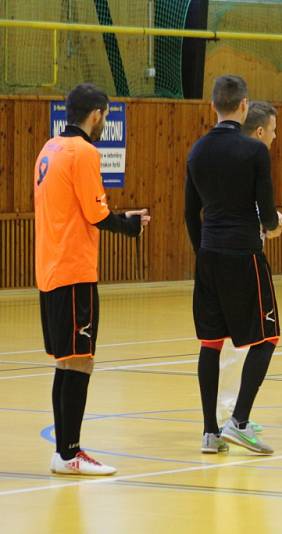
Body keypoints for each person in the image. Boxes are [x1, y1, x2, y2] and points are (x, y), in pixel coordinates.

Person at [35, 83, 151, 475]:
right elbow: (97, 214)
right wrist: (131, 226)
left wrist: (122, 217)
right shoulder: (83, 151)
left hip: (49, 269)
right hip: (73, 271)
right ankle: (70, 454)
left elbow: (78, 207)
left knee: (66, 363)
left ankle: (64, 453)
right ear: (98, 113)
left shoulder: (49, 148)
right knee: (80, 362)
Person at [185, 76, 282, 454]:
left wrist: (204, 249)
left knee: (210, 343)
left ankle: (210, 432)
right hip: (244, 254)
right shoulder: (254, 151)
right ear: (244, 106)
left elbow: (188, 212)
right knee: (268, 336)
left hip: (209, 255)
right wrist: (275, 225)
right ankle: (239, 422)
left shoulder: (197, 150)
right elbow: (266, 210)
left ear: (215, 105)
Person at [215, 101, 282, 430]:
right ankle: (232, 416)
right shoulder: (252, 159)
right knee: (256, 338)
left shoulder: (221, 154)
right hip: (241, 258)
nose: (274, 136)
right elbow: (254, 210)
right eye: (272, 130)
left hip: (218, 254)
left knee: (230, 339)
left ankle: (223, 415)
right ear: (259, 131)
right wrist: (271, 222)